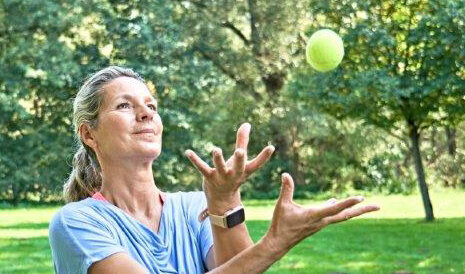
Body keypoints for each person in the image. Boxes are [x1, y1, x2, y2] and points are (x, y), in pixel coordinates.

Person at [48, 66, 380, 273]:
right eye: (124, 105)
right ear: (89, 133)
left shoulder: (195, 207)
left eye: (151, 106)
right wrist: (275, 243)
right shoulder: (76, 223)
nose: (146, 113)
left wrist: (224, 203)